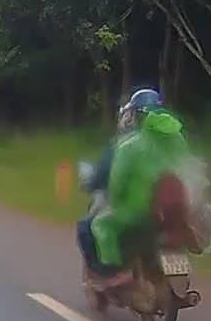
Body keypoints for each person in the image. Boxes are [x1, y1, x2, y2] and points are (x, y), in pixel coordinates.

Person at [80, 89, 189, 286]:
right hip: (175, 210)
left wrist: (115, 201)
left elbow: (117, 184)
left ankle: (112, 273)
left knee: (99, 225)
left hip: (139, 212)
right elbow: (189, 168)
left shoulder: (128, 144)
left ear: (135, 115)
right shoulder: (178, 139)